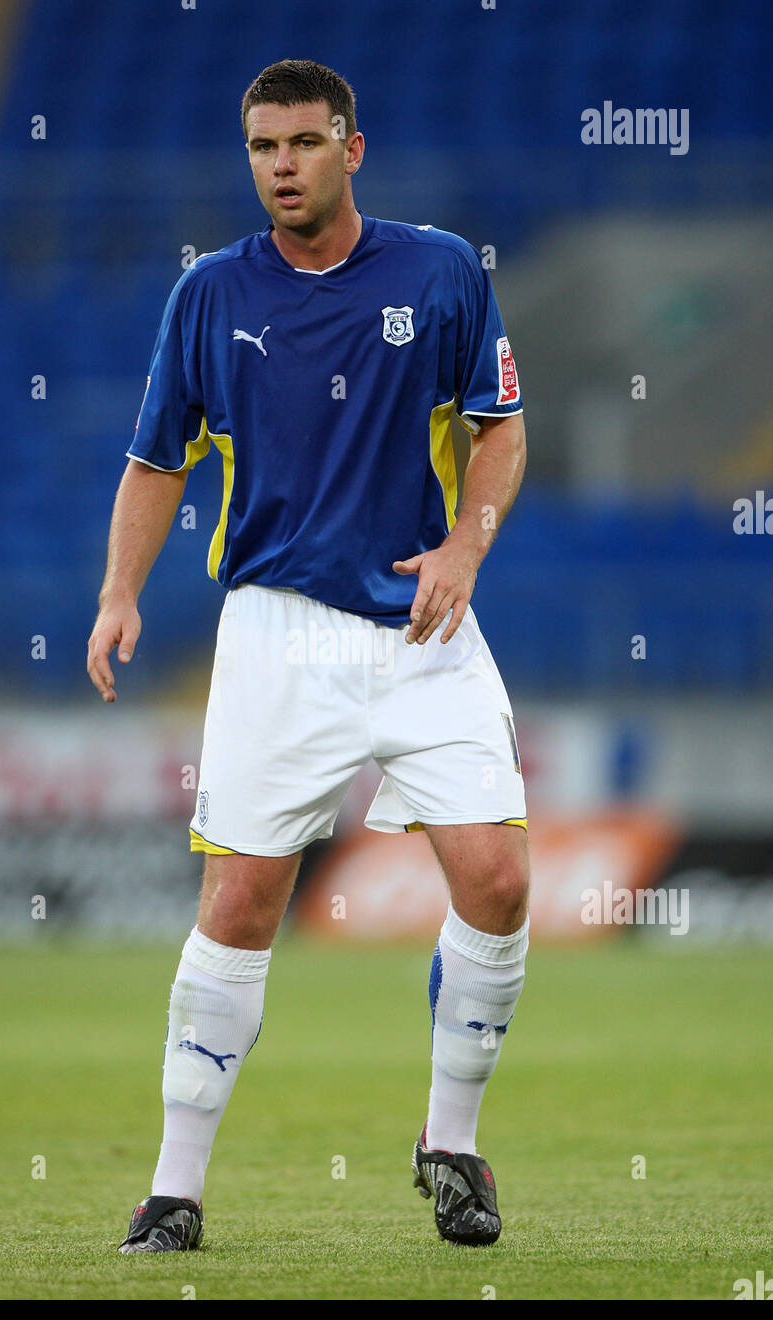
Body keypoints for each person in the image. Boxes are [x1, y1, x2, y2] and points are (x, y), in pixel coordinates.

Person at [87, 58, 529, 1253]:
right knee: (238, 902)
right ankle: (172, 1190)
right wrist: (120, 592)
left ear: (351, 148)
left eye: (301, 143)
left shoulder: (439, 272)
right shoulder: (208, 293)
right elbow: (153, 460)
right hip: (276, 633)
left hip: (424, 626)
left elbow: (499, 432)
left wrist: (464, 547)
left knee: (496, 880)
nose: (280, 165)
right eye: (261, 148)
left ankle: (450, 1148)